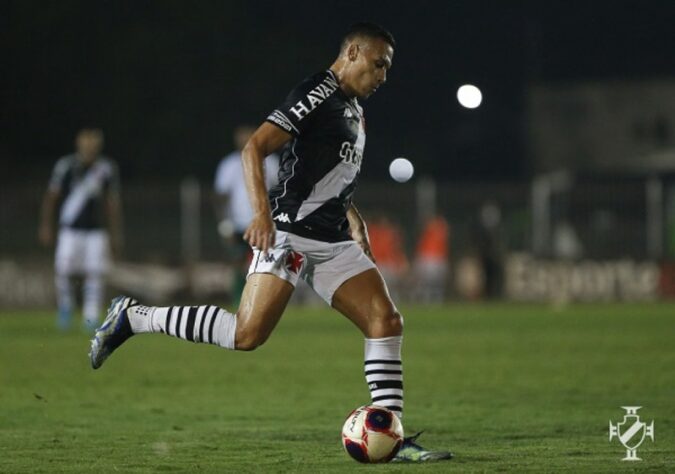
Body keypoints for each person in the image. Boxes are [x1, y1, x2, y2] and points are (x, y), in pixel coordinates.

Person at [89, 23, 451, 462]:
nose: (383, 76)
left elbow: (327, 173)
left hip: (333, 237)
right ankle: (134, 317)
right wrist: (262, 214)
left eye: (387, 69)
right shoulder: (320, 90)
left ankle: (391, 439)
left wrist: (354, 218)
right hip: (290, 231)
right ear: (353, 52)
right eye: (379, 65)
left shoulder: (354, 109)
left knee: (386, 322)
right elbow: (255, 148)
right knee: (247, 335)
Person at [39, 128, 122, 330]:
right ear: (79, 145)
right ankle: (65, 309)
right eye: (86, 145)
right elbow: (52, 197)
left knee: (94, 272)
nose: (90, 150)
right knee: (63, 270)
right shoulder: (66, 166)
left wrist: (116, 233)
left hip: (96, 231)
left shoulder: (106, 168)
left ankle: (91, 315)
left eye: (93, 146)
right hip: (70, 230)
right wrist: (46, 225)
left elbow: (111, 204)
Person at [214, 125, 279, 304]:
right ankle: (239, 301)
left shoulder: (270, 162)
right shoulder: (229, 164)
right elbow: (222, 197)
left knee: (268, 262)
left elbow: (279, 191)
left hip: (266, 222)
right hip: (239, 223)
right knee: (238, 261)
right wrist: (224, 222)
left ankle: (265, 301)